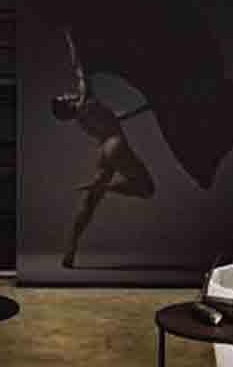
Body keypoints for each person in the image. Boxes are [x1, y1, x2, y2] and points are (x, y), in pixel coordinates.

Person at [52, 27, 156, 269]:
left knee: (90, 203)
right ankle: (105, 186)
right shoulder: (86, 99)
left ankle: (70, 249)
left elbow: (114, 118)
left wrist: (145, 108)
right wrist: (71, 37)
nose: (67, 94)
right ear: (68, 105)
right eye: (64, 97)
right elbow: (79, 67)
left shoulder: (84, 115)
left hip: (105, 149)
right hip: (115, 145)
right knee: (147, 188)